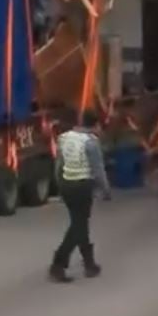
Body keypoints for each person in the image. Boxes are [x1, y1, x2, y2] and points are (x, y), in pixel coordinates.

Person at [49, 109, 111, 283]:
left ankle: (89, 264)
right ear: (95, 125)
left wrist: (59, 186)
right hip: (83, 186)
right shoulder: (91, 142)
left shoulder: (64, 137)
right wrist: (105, 190)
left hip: (67, 184)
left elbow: (59, 165)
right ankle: (59, 263)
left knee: (79, 223)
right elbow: (98, 170)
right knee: (78, 225)